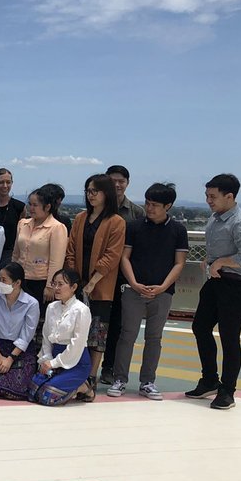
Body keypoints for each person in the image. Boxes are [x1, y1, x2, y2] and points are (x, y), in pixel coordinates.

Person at [108, 183, 189, 400]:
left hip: (162, 292)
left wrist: (163, 286)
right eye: (147, 203)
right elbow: (124, 257)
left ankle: (147, 381)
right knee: (127, 335)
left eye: (155, 205)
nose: (149, 208)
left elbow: (179, 263)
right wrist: (133, 283)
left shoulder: (178, 231)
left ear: (168, 206)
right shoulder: (134, 227)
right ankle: (120, 379)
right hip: (133, 289)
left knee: (154, 337)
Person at [186, 173, 241, 411]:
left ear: (230, 196)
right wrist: (211, 260)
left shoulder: (240, 222)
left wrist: (221, 262)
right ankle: (209, 380)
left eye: (212, 196)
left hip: (236, 286)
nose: (208, 200)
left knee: (229, 337)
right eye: (206, 196)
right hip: (217, 282)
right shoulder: (217, 218)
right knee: (200, 327)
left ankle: (228, 390)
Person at [65, 173, 126, 402]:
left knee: (97, 334)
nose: (90, 195)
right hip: (77, 285)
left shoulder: (116, 221)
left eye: (95, 191)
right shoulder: (81, 217)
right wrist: (74, 279)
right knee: (76, 331)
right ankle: (76, 376)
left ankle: (91, 378)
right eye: (88, 191)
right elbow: (71, 248)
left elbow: (112, 256)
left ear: (106, 193)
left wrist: (91, 282)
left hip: (100, 287)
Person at [99, 164, 146, 384]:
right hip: (97, 276)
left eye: (122, 181)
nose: (117, 185)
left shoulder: (136, 213)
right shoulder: (96, 208)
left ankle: (109, 367)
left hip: (122, 277)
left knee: (117, 324)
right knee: (94, 322)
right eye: (113, 180)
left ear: (127, 183)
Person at [0, 263, 40, 401]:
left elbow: (26, 335)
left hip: (20, 351)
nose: (0, 283)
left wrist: (10, 359)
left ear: (17, 283)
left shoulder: (31, 303)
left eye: (4, 280)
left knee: (16, 389)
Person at [31, 268, 93, 407]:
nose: (56, 288)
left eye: (61, 284)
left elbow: (77, 345)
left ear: (73, 287)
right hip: (54, 357)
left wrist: (53, 364)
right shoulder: (51, 307)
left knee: (47, 396)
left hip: (76, 360)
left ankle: (83, 387)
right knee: (32, 391)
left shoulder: (81, 310)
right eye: (54, 284)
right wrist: (46, 359)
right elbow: (46, 337)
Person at [13, 184, 68, 309]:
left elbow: (57, 260)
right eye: (30, 204)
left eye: (35, 205)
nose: (31, 208)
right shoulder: (23, 223)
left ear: (47, 207)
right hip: (20, 278)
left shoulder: (57, 227)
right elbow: (16, 254)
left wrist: (50, 286)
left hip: (41, 281)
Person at [0, 168, 25, 268]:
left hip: (9, 254)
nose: (5, 186)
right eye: (1, 182)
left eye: (8, 182)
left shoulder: (19, 207)